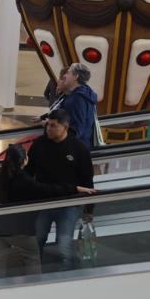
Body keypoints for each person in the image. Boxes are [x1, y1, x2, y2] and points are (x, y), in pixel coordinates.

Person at [0, 143, 93, 278]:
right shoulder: (24, 181)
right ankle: (34, 286)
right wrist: (75, 189)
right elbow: (49, 190)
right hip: (21, 232)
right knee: (31, 257)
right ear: (25, 160)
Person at [27, 109, 95, 272]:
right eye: (48, 125)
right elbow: (29, 172)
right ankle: (35, 271)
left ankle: (67, 274)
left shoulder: (78, 149)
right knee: (38, 239)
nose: (48, 129)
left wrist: (89, 210)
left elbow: (87, 180)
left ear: (65, 127)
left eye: (53, 126)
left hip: (69, 204)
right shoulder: (39, 145)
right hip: (43, 201)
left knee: (64, 242)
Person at [48, 62, 98, 149]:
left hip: (74, 148)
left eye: (68, 73)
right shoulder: (83, 93)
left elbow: (76, 128)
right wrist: (43, 118)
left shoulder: (78, 99)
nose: (64, 76)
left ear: (76, 77)